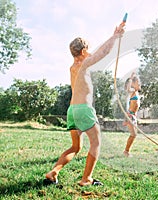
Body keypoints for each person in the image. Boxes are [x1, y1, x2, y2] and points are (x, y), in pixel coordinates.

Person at [44, 23, 125, 186]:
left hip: (72, 110)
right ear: (82, 52)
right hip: (83, 109)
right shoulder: (84, 63)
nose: (90, 53)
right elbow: (104, 51)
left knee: (75, 147)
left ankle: (54, 172)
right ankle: (86, 179)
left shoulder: (72, 67)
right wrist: (115, 36)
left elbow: (97, 54)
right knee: (96, 143)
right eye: (88, 50)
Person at [123, 75, 141, 157]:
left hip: (133, 116)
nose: (139, 83)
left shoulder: (136, 93)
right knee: (133, 134)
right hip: (130, 116)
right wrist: (131, 78)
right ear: (133, 84)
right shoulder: (132, 91)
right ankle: (126, 151)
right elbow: (128, 89)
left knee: (134, 135)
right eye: (138, 82)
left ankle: (126, 151)